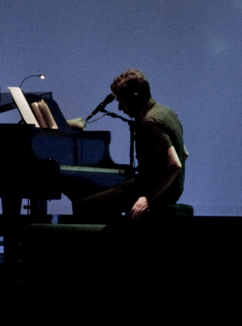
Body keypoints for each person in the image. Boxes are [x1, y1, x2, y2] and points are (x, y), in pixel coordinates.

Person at [75, 69, 188, 221]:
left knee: (85, 206)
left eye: (122, 102)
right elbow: (184, 154)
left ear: (135, 98)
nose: (120, 109)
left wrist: (148, 197)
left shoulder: (149, 122)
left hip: (154, 190)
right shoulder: (167, 112)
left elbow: (175, 165)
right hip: (169, 189)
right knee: (108, 195)